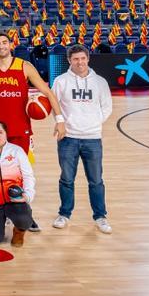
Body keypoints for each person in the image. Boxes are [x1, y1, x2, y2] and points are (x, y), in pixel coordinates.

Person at [0, 31, 63, 233]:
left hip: (20, 129)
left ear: (11, 44)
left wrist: (59, 120)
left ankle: (25, 213)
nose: (1, 46)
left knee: (22, 173)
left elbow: (48, 92)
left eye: (4, 42)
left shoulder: (24, 66)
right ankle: (1, 213)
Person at [51, 45, 113, 234]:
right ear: (70, 61)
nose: (80, 62)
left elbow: (107, 107)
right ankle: (64, 214)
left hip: (93, 137)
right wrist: (62, 122)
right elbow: (55, 105)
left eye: (82, 58)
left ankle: (100, 217)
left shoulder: (100, 82)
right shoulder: (61, 81)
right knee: (67, 179)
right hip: (67, 138)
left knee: (95, 180)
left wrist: (92, 123)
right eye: (75, 59)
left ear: (88, 59)